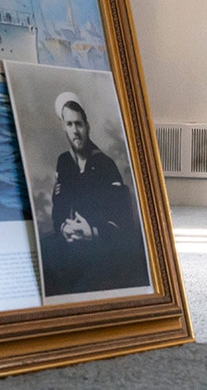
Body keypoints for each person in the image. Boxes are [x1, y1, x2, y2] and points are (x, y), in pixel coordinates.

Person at [39, 92, 144, 294]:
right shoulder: (64, 162)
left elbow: (123, 222)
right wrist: (63, 228)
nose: (75, 131)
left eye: (78, 124)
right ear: (64, 127)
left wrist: (93, 231)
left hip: (102, 243)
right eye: (69, 124)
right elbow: (59, 205)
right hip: (71, 239)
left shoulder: (105, 165)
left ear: (87, 127)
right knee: (43, 255)